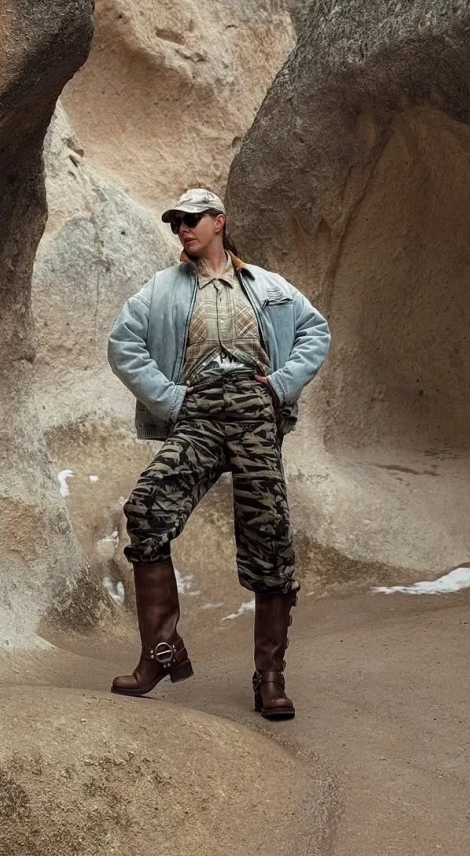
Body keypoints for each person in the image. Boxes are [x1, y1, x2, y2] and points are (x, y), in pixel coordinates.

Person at [106, 188, 330, 719]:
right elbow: (123, 344)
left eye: (191, 219)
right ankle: (161, 652)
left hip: (255, 409)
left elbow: (314, 332)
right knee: (147, 508)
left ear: (219, 222)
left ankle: (270, 678)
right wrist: (170, 399)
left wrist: (280, 386)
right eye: (176, 223)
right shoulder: (161, 289)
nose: (182, 229)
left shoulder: (268, 286)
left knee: (269, 533)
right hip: (198, 411)